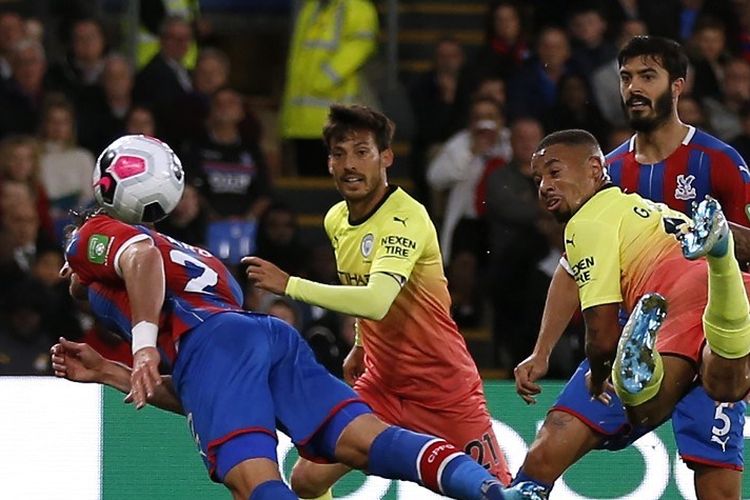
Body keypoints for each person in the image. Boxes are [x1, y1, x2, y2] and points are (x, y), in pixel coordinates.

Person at [52, 140, 517, 500]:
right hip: (267, 335)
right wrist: (107, 371)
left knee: (252, 483)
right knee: (367, 442)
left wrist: (143, 347)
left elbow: (141, 255)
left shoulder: (93, 236)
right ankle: (486, 490)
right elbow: (203, 389)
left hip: (218, 346)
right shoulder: (203, 262)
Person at [509, 36, 750, 499]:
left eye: (647, 76)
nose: (633, 88)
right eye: (625, 78)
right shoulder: (603, 172)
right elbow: (570, 267)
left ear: (676, 86)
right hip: (630, 330)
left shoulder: (719, 162)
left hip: (707, 326)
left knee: (717, 478)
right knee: (547, 446)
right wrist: (542, 351)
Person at [243, 104, 514, 499]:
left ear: (385, 157)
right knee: (306, 480)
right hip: (381, 385)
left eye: (361, 151)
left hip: (443, 387)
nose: (350, 164)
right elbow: (362, 289)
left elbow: (376, 301)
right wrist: (360, 343)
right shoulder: (337, 219)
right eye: (339, 153)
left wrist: (289, 285)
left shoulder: (406, 219)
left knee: (498, 493)